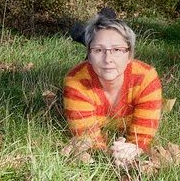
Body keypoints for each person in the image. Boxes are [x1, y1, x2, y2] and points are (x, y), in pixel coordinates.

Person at [63, 13, 162, 167]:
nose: (108, 59)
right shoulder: (76, 81)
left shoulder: (146, 78)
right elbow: (88, 138)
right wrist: (110, 156)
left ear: (129, 54)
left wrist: (133, 149)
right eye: (98, 50)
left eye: (117, 50)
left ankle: (104, 23)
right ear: (88, 55)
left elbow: (142, 137)